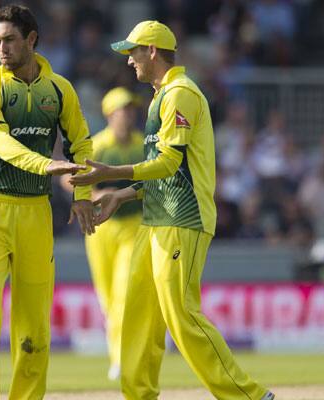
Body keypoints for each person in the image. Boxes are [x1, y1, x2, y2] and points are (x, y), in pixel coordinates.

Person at [70, 20, 275, 400]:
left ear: (152, 50)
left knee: (180, 314)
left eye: (133, 52)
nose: (129, 60)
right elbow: (160, 174)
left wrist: (111, 175)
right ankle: (139, 394)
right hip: (156, 217)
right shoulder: (160, 96)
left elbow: (168, 163)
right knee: (137, 311)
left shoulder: (181, 93)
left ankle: (248, 395)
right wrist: (122, 195)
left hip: (184, 218)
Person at [0, 5, 95, 399]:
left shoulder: (59, 89)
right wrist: (45, 164)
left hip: (35, 212)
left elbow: (81, 143)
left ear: (31, 39)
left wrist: (82, 194)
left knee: (34, 327)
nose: (1, 47)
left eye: (9, 39)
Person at [77, 87, 145, 381]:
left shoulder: (142, 144)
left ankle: (121, 359)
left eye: (131, 109)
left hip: (134, 226)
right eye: (123, 109)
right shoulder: (97, 146)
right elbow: (72, 179)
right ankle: (118, 355)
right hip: (100, 229)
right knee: (107, 299)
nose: (129, 115)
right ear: (109, 114)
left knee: (122, 295)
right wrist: (96, 192)